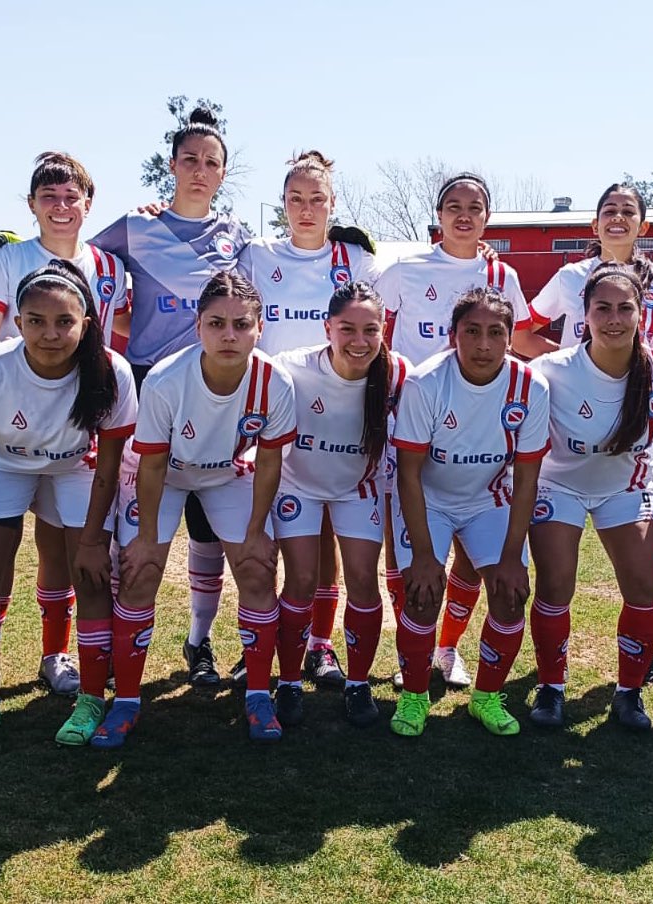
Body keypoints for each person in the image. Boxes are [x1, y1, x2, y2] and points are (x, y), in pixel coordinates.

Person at [0, 152, 131, 709]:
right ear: (31, 205)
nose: (61, 207)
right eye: (48, 197)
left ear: (88, 203)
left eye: (70, 197)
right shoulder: (10, 261)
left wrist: (81, 403)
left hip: (75, 436)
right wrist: (27, 390)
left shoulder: (109, 266)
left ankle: (56, 655)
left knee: (65, 553)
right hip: (13, 426)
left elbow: (117, 339)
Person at [91, 108, 255, 689]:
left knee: (207, 526)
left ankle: (198, 642)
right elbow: (84, 272)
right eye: (190, 159)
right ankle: (114, 648)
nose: (200, 171)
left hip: (216, 396)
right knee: (133, 527)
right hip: (143, 386)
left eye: (211, 163)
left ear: (222, 174)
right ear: (172, 165)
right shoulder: (136, 227)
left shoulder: (237, 235)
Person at [0, 261, 137, 752]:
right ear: (17, 323)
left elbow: (110, 466)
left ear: (86, 323)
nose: (50, 334)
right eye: (36, 321)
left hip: (75, 467)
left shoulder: (112, 372)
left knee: (89, 572)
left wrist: (94, 540)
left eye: (64, 322)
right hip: (3, 465)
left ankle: (91, 699)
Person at [102, 272, 296, 746]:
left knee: (255, 568)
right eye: (216, 323)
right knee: (140, 571)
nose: (228, 335)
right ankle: (125, 700)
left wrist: (254, 532)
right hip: (163, 475)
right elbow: (151, 466)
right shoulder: (168, 379)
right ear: (198, 326)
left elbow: (269, 462)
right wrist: (147, 538)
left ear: (259, 328)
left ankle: (256, 694)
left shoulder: (275, 381)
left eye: (240, 324)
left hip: (225, 472)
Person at [375, 172, 548, 691]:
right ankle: (414, 668)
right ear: (439, 215)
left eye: (475, 206)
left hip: (484, 426)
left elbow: (516, 337)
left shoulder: (502, 274)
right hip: (416, 416)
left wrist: (575, 366)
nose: (464, 214)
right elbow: (375, 330)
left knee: (477, 570)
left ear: (488, 218)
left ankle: (448, 650)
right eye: (454, 205)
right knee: (409, 565)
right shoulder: (405, 268)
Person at [239, 150, 385, 689]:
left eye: (316, 199)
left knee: (331, 539)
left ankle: (320, 647)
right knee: (279, 546)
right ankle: (268, 644)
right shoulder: (257, 255)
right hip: (277, 414)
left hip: (344, 412)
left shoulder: (355, 260)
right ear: (282, 204)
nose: (306, 209)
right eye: (295, 199)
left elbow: (379, 318)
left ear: (333, 204)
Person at [527, 264, 653, 731]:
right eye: (603, 308)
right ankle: (551, 688)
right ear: (584, 314)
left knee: (642, 589)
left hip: (626, 486)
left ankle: (628, 693)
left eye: (625, 308)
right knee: (556, 585)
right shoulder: (550, 370)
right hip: (559, 485)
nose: (614, 319)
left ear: (642, 313)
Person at [390, 288, 550, 737]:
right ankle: (414, 697)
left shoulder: (530, 386)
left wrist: (513, 555)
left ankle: (486, 697)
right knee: (422, 593)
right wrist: (424, 553)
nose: (483, 345)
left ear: (509, 337)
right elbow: (408, 475)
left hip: (487, 498)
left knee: (510, 591)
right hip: (429, 499)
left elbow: (527, 478)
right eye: (471, 332)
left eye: (495, 333)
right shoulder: (426, 382)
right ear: (452, 336)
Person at [271, 281, 408, 727]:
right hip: (298, 484)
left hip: (359, 486)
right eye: (347, 328)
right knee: (302, 579)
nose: (359, 341)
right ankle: (289, 682)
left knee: (364, 580)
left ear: (384, 329)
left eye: (370, 330)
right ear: (327, 327)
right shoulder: (290, 369)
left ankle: (358, 683)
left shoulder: (398, 374)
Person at [525, 182, 653, 357]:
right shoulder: (570, 276)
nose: (618, 217)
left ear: (643, 227)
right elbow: (520, 336)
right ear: (595, 225)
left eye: (628, 212)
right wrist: (566, 361)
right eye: (609, 211)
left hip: (640, 384)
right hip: (582, 384)